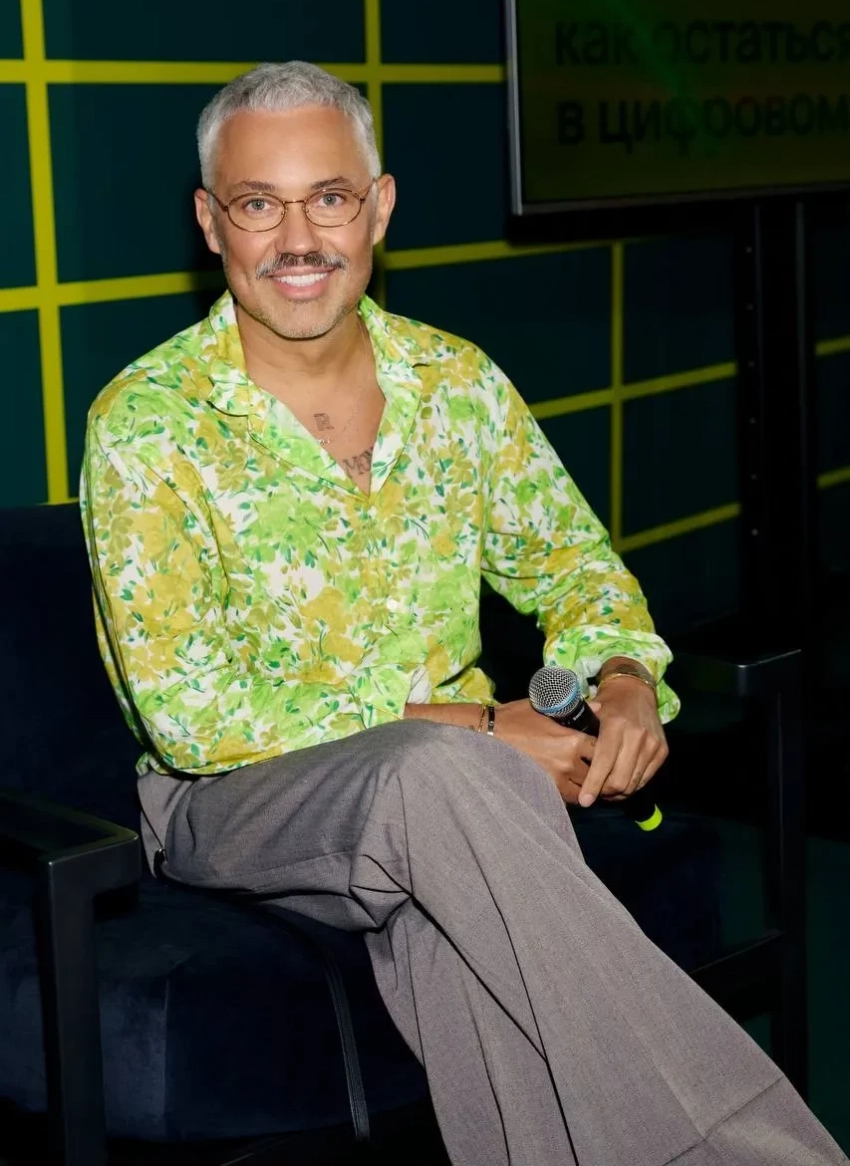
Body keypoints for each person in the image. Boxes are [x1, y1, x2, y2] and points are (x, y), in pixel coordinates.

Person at [80, 61, 846, 1166]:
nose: (297, 238)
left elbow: (575, 565)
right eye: (257, 204)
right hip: (234, 803)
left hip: (456, 811)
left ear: (379, 206)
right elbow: (193, 712)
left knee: (460, 935)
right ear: (211, 222)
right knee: (443, 779)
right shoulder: (146, 421)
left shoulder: (457, 383)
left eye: (329, 198)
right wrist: (478, 728)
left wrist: (624, 678)